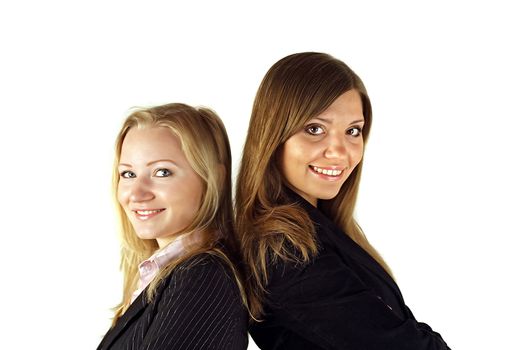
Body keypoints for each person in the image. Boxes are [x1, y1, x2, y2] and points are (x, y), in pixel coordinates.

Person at [235, 52, 450, 349]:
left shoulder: (319, 230)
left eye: (353, 131)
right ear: (273, 134)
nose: (339, 151)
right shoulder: (286, 250)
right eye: (315, 129)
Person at [98, 103, 248, 350]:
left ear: (214, 178)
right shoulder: (166, 275)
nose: (136, 193)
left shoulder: (203, 277)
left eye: (162, 172)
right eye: (127, 174)